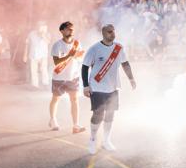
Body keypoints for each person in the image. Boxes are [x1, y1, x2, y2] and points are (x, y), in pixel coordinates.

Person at [82, 24, 137, 154]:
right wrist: (85, 85)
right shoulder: (94, 49)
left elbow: (125, 63)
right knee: (98, 114)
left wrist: (131, 79)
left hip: (113, 87)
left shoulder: (119, 48)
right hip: (97, 86)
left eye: (113, 32)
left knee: (110, 113)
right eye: (109, 32)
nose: (112, 34)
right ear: (103, 33)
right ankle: (93, 139)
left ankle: (106, 140)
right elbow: (85, 67)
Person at [49, 21, 85, 133]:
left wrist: (79, 56)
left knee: (74, 100)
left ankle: (76, 125)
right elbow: (56, 62)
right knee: (56, 99)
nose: (71, 31)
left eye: (72, 29)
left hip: (73, 76)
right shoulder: (57, 45)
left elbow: (79, 58)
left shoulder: (77, 44)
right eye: (69, 29)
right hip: (59, 77)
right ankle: (53, 119)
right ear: (62, 31)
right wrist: (69, 55)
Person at [24, 21, 50, 89]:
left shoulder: (47, 33)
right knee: (33, 71)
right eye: (39, 26)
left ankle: (45, 84)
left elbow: (48, 42)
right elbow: (27, 44)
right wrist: (25, 54)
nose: (40, 27)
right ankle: (35, 85)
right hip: (33, 54)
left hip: (43, 55)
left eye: (41, 26)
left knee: (44, 69)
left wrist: (43, 35)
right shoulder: (31, 34)